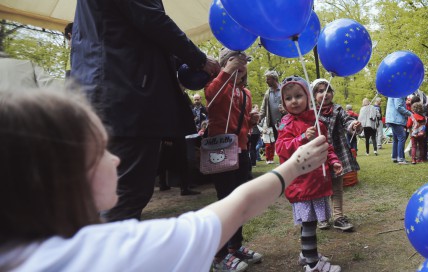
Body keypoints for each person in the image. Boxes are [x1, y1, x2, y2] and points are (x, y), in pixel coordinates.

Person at [0, 87, 331, 271]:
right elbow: (239, 207)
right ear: (62, 175)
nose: (115, 158)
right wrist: (295, 166)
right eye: (102, 149)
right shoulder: (119, 253)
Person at [70, 0, 221, 222]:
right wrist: (198, 59)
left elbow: (133, 29)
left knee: (103, 192)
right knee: (124, 194)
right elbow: (152, 20)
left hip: (100, 95)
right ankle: (113, 253)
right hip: (126, 97)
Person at [275, 76, 343, 272]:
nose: (294, 101)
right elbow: (282, 148)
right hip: (301, 183)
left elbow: (326, 146)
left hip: (317, 181)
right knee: (309, 223)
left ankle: (307, 254)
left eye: (298, 96)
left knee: (310, 223)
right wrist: (302, 138)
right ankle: (313, 264)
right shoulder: (285, 124)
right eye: (288, 98)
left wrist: (334, 161)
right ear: (283, 102)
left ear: (307, 97)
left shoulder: (316, 121)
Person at [203, 49, 262, 271]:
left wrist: (252, 120)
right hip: (220, 151)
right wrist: (225, 72)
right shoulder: (216, 85)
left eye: (243, 61)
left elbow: (242, 123)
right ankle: (218, 255)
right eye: (233, 60)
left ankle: (234, 246)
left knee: (239, 201)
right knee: (225, 201)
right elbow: (211, 98)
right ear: (223, 64)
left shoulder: (245, 93)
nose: (240, 63)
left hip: (242, 151)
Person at [312, 78, 362, 231]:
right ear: (314, 95)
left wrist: (353, 125)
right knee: (320, 187)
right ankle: (322, 217)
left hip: (337, 152)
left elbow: (347, 121)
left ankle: (338, 217)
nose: (325, 94)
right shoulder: (311, 112)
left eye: (328, 90)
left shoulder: (338, 109)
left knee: (337, 187)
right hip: (318, 154)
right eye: (320, 91)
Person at [259, 70, 286, 140]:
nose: (266, 81)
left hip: (285, 123)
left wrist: (286, 110)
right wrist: (258, 119)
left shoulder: (284, 89)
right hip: (272, 126)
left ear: (274, 79)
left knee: (285, 140)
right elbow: (263, 109)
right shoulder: (267, 93)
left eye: (268, 79)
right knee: (276, 144)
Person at [386, 96, 411, 164]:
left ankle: (395, 157)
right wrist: (410, 113)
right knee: (402, 137)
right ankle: (401, 158)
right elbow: (398, 107)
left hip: (392, 118)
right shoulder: (398, 94)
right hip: (396, 119)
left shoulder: (392, 93)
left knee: (396, 139)